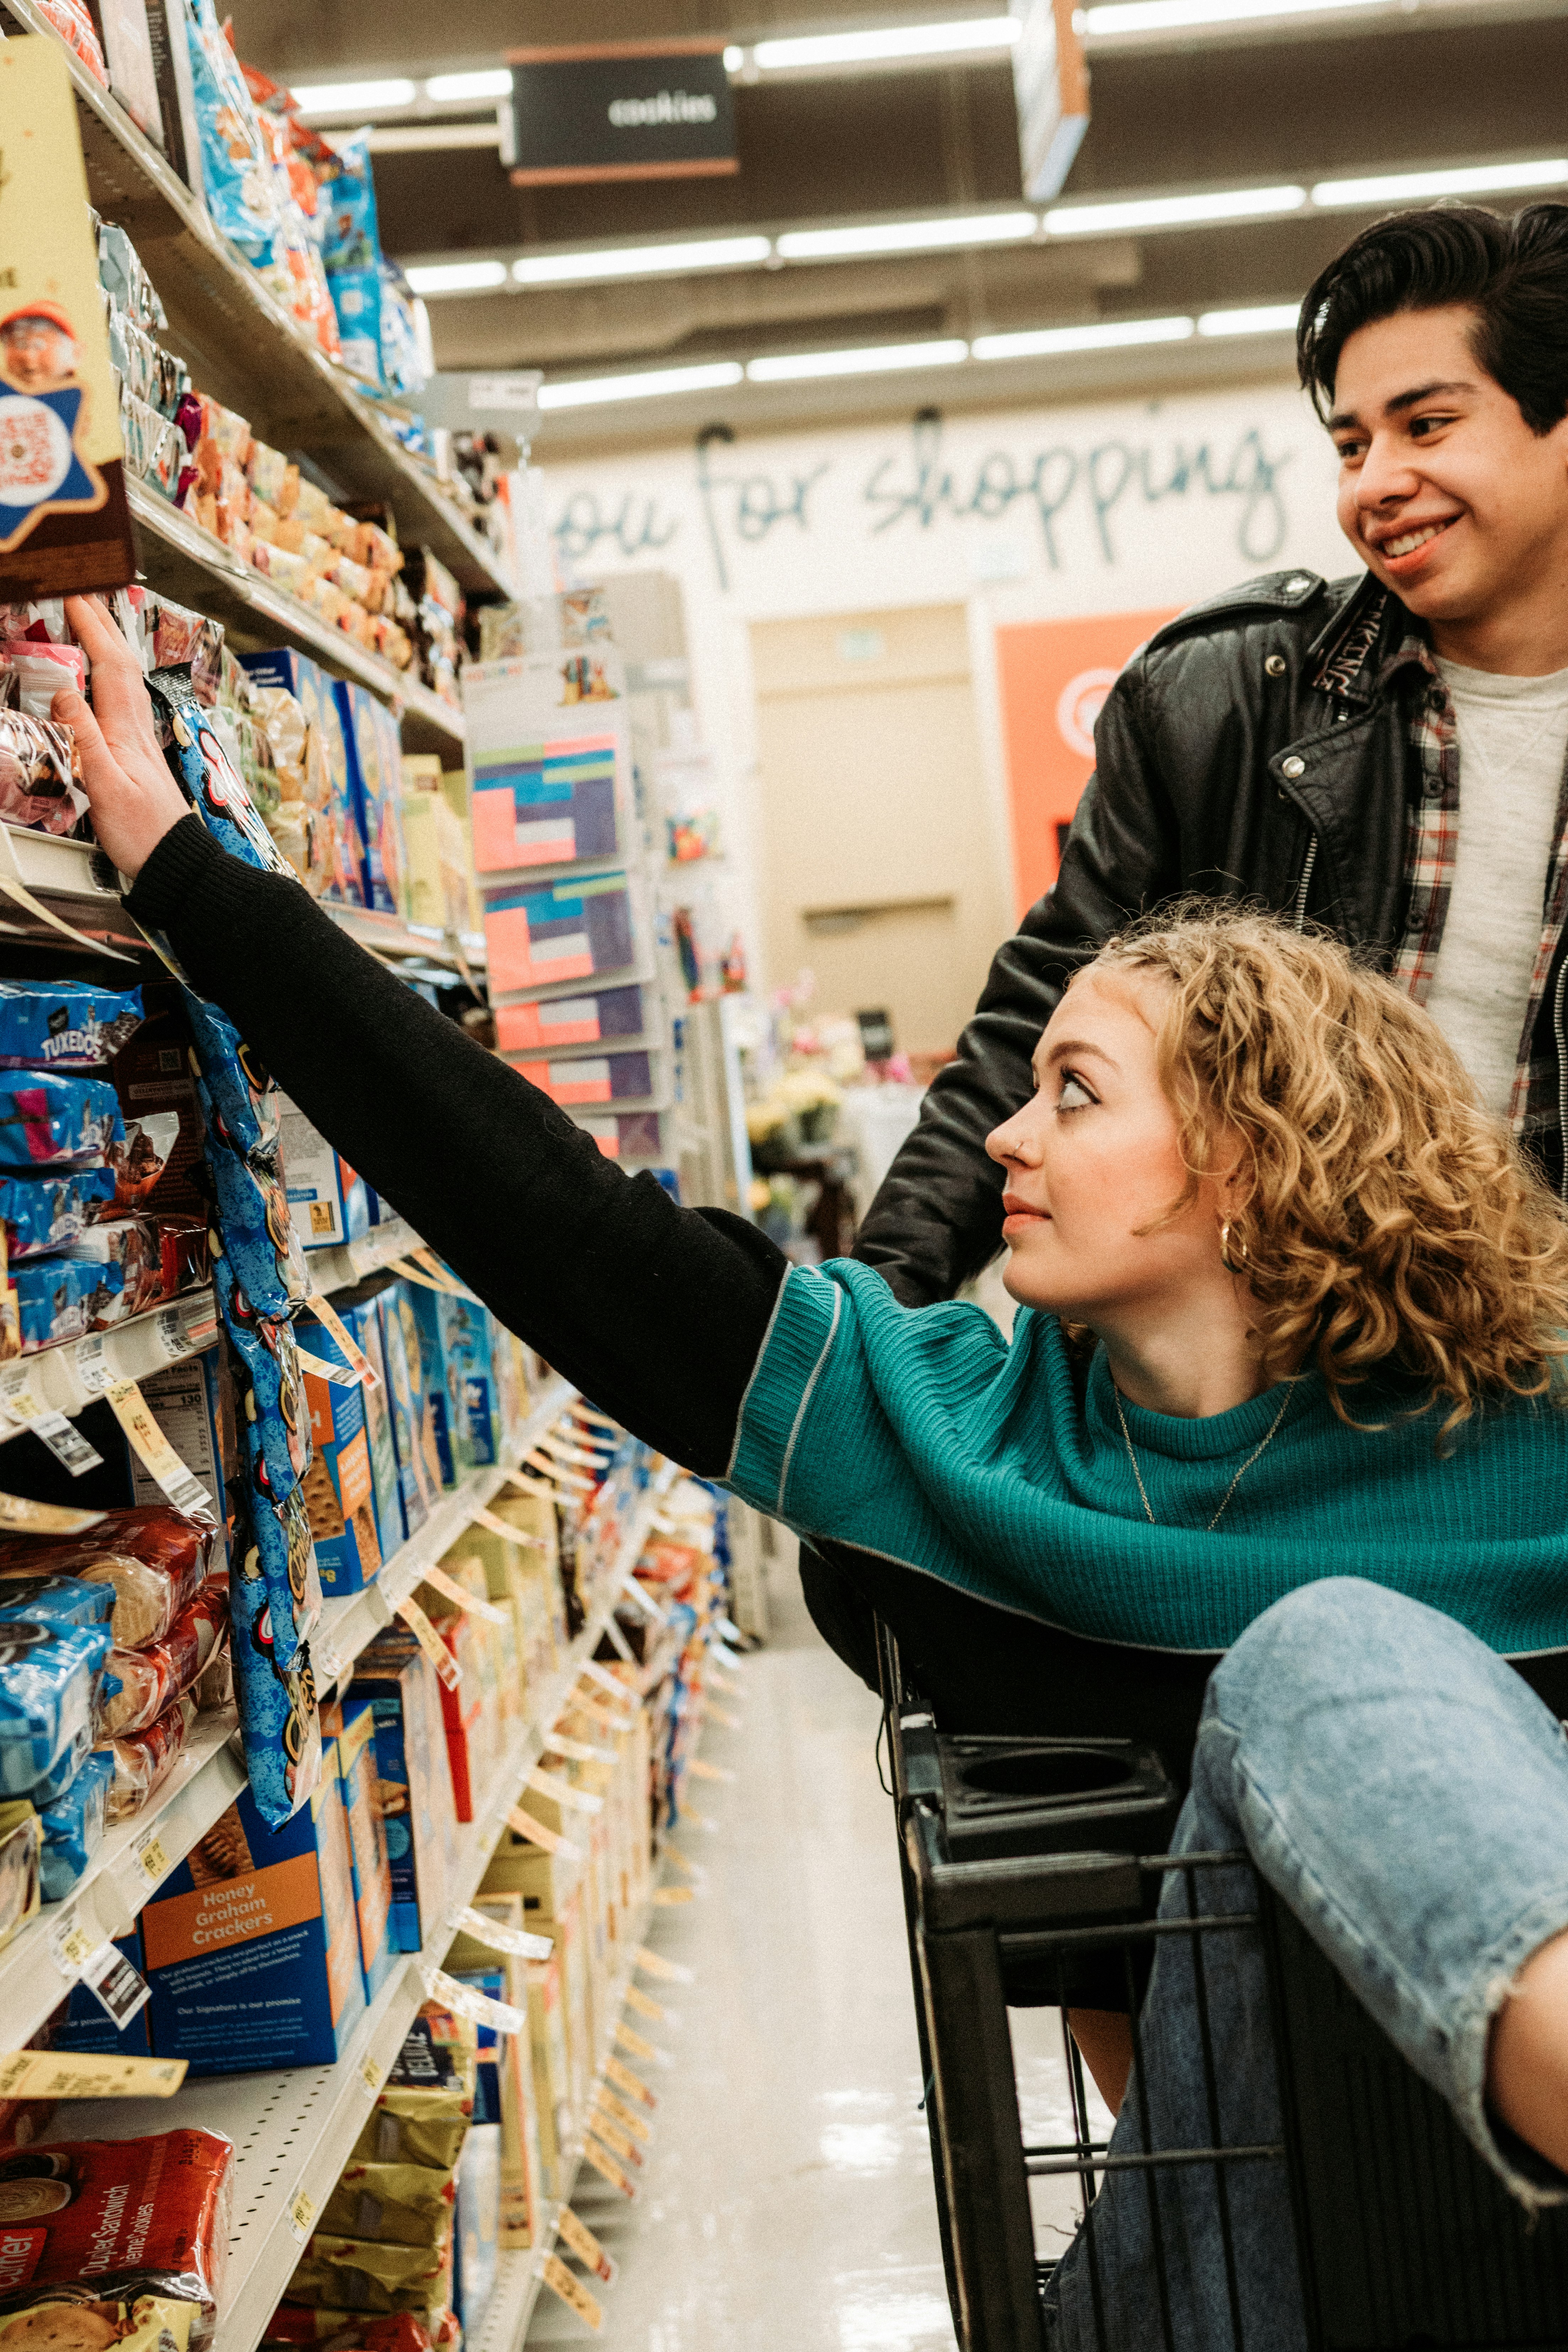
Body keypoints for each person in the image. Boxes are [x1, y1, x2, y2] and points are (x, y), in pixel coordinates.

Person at [45, 593, 1568, 2334]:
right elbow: (544, 1212)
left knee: (1342, 1652)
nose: (1004, 1127)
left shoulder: (1522, 1424)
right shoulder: (946, 1431)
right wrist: (186, 871)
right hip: (1266, 2265)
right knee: (1326, 1651)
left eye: (1074, 1091)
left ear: (1246, 1155)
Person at [817, 197, 1568, 1702]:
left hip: (1530, 1425)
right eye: (1351, 442)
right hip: (1278, 1418)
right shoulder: (1229, 703)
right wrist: (878, 1338)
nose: (1378, 482)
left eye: (1428, 421)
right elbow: (1032, 1024)